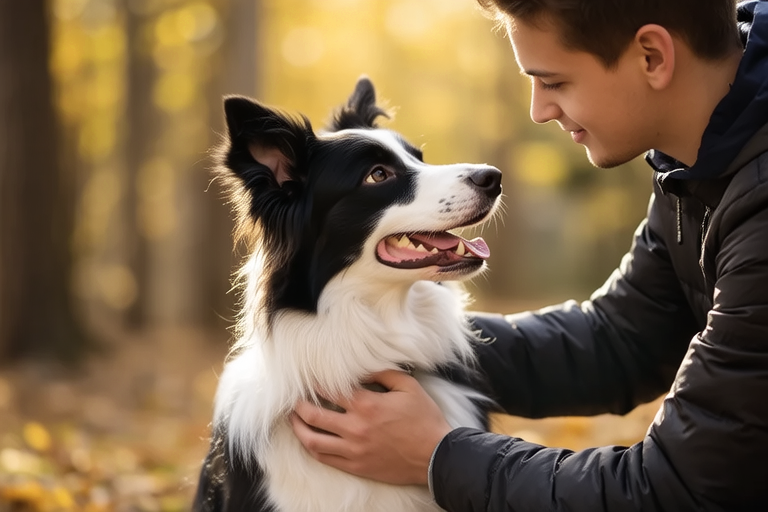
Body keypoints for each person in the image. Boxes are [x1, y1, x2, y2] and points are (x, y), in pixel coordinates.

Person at [290, 0, 768, 509]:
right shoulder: (698, 165)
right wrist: (364, 342)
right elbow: (623, 340)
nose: (539, 110)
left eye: (554, 82)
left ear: (652, 57)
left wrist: (437, 455)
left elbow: (676, 490)